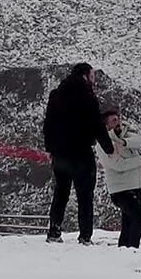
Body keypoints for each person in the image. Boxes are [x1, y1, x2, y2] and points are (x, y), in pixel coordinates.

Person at [43, 63, 114, 244]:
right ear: (85, 75)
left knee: (61, 192)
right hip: (81, 153)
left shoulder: (56, 95)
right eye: (92, 75)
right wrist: (109, 148)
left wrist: (50, 148)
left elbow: (48, 125)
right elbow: (97, 125)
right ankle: (84, 236)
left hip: (60, 154)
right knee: (84, 196)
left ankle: (54, 231)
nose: (94, 79)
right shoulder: (87, 97)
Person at [96, 106, 141, 249]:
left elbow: (138, 140)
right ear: (106, 125)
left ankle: (124, 250)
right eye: (113, 120)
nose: (118, 122)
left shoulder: (125, 135)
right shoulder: (103, 144)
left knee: (129, 222)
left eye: (118, 119)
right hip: (120, 189)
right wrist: (140, 161)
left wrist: (124, 143)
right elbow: (118, 165)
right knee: (139, 216)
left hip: (135, 185)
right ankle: (132, 249)